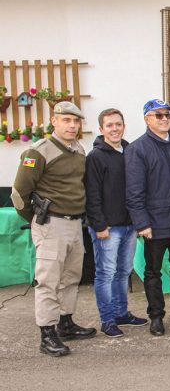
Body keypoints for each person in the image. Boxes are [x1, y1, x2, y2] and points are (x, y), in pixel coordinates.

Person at [11, 101, 96, 356]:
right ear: (54, 121)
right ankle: (47, 334)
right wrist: (37, 217)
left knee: (71, 277)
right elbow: (19, 193)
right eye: (66, 120)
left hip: (74, 223)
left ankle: (65, 323)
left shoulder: (78, 150)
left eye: (76, 121)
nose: (72, 125)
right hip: (51, 224)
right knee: (48, 281)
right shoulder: (39, 152)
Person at [125, 99, 170, 336]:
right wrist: (142, 223)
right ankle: (156, 316)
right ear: (146, 119)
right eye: (159, 115)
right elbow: (134, 191)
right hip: (154, 223)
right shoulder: (137, 149)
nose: (164, 119)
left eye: (168, 115)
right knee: (153, 272)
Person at [85, 108, 148, 338]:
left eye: (118, 124)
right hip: (108, 228)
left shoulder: (130, 151)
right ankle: (108, 319)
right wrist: (99, 225)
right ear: (101, 129)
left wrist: (139, 221)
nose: (115, 129)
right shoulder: (95, 157)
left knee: (124, 272)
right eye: (109, 125)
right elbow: (92, 195)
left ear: (124, 126)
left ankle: (122, 313)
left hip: (130, 225)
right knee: (106, 273)